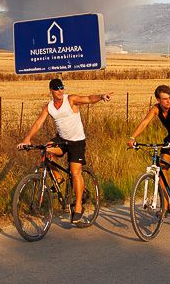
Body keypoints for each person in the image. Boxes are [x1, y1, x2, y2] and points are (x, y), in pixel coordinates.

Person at [17, 77, 112, 225]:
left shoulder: (71, 100)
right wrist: (27, 139)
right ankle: (59, 178)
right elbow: (38, 123)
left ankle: (79, 205)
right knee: (47, 150)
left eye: (62, 87)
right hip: (62, 140)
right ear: (51, 91)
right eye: (56, 88)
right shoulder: (48, 107)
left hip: (77, 142)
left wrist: (100, 97)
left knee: (75, 173)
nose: (60, 90)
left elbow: (87, 98)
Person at [127, 84, 170, 202]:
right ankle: (166, 203)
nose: (168, 101)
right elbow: (145, 122)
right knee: (161, 169)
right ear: (158, 100)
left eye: (169, 98)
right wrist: (132, 138)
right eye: (164, 99)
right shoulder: (156, 109)